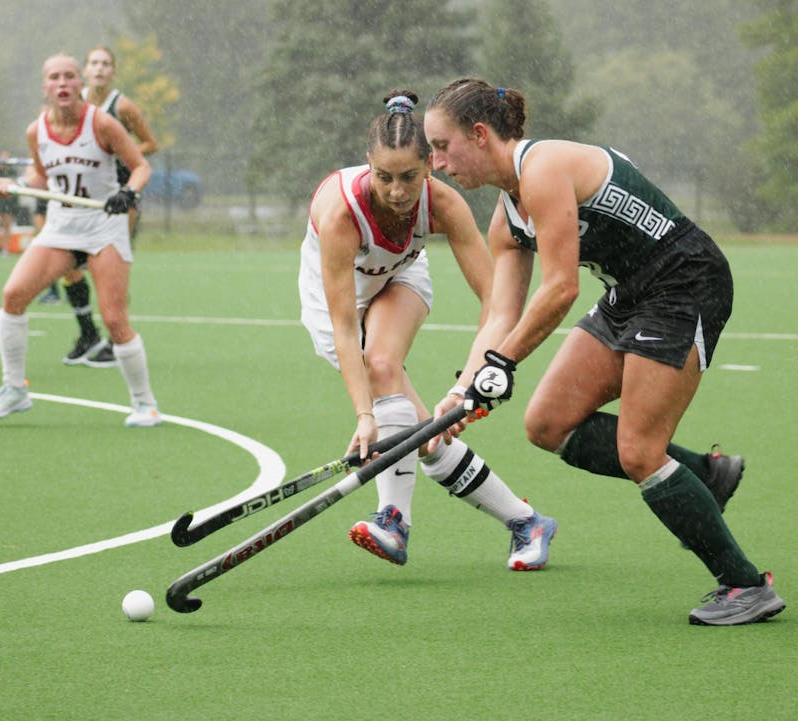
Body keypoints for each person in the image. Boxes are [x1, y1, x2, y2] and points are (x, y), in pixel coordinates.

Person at [424, 77, 785, 625]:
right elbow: (500, 315)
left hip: (685, 284)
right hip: (629, 296)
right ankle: (704, 475)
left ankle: (745, 584)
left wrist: (501, 365)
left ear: (477, 135)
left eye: (442, 146)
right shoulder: (505, 217)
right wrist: (461, 389)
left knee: (640, 451)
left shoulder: (542, 169)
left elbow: (561, 287)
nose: (438, 164)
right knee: (547, 424)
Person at [298, 90, 557, 570]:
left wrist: (472, 383)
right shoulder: (340, 214)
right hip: (333, 299)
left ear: (430, 167)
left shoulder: (444, 206)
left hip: (400, 275)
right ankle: (526, 521)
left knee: (382, 364)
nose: (397, 191)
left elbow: (495, 302)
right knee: (426, 435)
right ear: (367, 167)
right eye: (384, 177)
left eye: (409, 177)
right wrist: (363, 417)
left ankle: (392, 519)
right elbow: (340, 322)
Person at [0, 52, 161, 428]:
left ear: (80, 84)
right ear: (45, 87)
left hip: (103, 227)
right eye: (54, 78)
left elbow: (142, 166)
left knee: (114, 320)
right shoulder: (36, 131)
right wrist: (15, 186)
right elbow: (42, 178)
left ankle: (145, 404)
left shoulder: (102, 123)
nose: (62, 83)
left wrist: (128, 193)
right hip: (61, 227)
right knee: (13, 296)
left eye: (69, 77)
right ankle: (14, 389)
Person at [41, 45, 160, 368]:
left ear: (113, 71)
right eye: (93, 63)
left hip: (118, 198)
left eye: (106, 64)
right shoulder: (69, 102)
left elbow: (150, 143)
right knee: (69, 268)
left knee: (112, 270)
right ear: (85, 71)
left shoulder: (121, 106)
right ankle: (87, 333)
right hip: (79, 201)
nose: (99, 69)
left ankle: (114, 337)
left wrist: (116, 155)